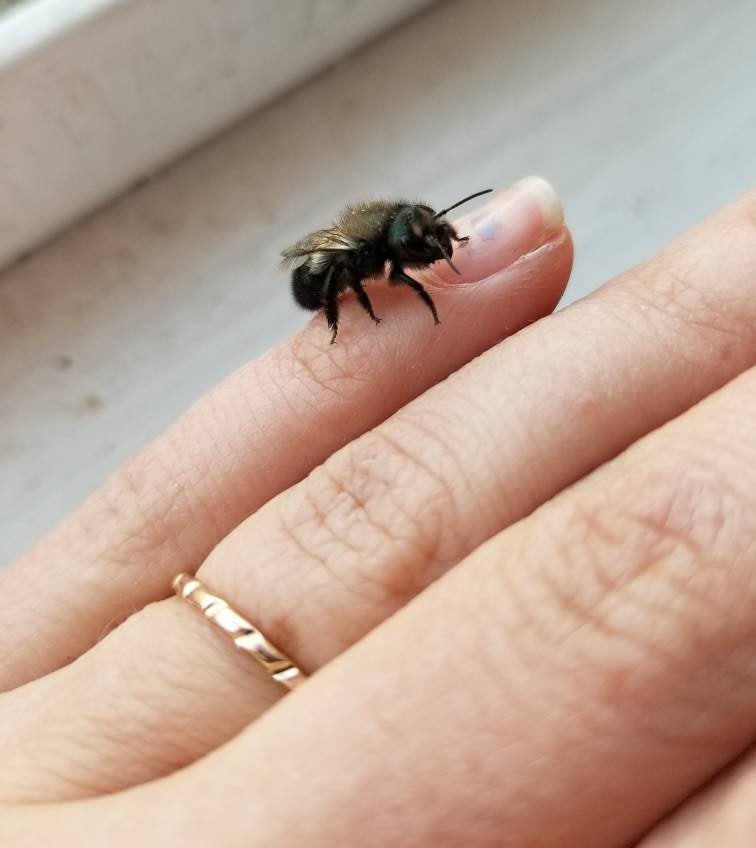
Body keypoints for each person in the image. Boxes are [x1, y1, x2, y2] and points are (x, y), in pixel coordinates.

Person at [1, 177, 754, 846]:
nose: (432, 248)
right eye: (421, 243)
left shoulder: (390, 237)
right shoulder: (358, 254)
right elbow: (333, 271)